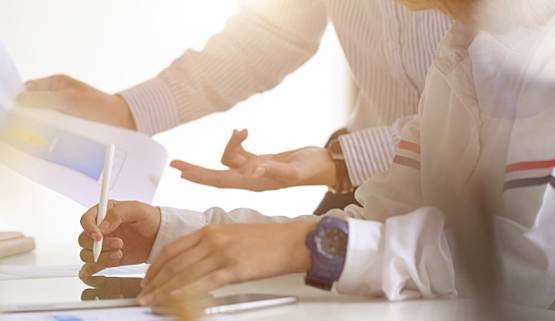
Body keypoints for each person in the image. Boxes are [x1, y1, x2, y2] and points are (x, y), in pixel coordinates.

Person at [78, 0, 555, 313]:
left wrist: (310, 242)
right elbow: (377, 225)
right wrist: (177, 234)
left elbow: (522, 269)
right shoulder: (461, 54)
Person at [17, 0, 452, 214]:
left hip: (487, 192)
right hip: (365, 184)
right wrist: (128, 110)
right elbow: (273, 33)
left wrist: (339, 162)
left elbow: (491, 112)